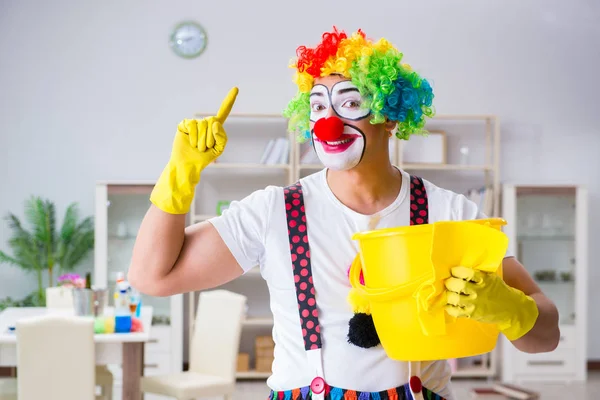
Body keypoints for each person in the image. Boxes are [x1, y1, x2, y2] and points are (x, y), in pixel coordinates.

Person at [129, 27, 560, 400]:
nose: (328, 123)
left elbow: (546, 337)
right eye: (318, 107)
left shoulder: (450, 212)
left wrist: (511, 308)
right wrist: (179, 174)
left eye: (350, 104)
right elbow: (153, 277)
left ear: (391, 116)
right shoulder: (273, 211)